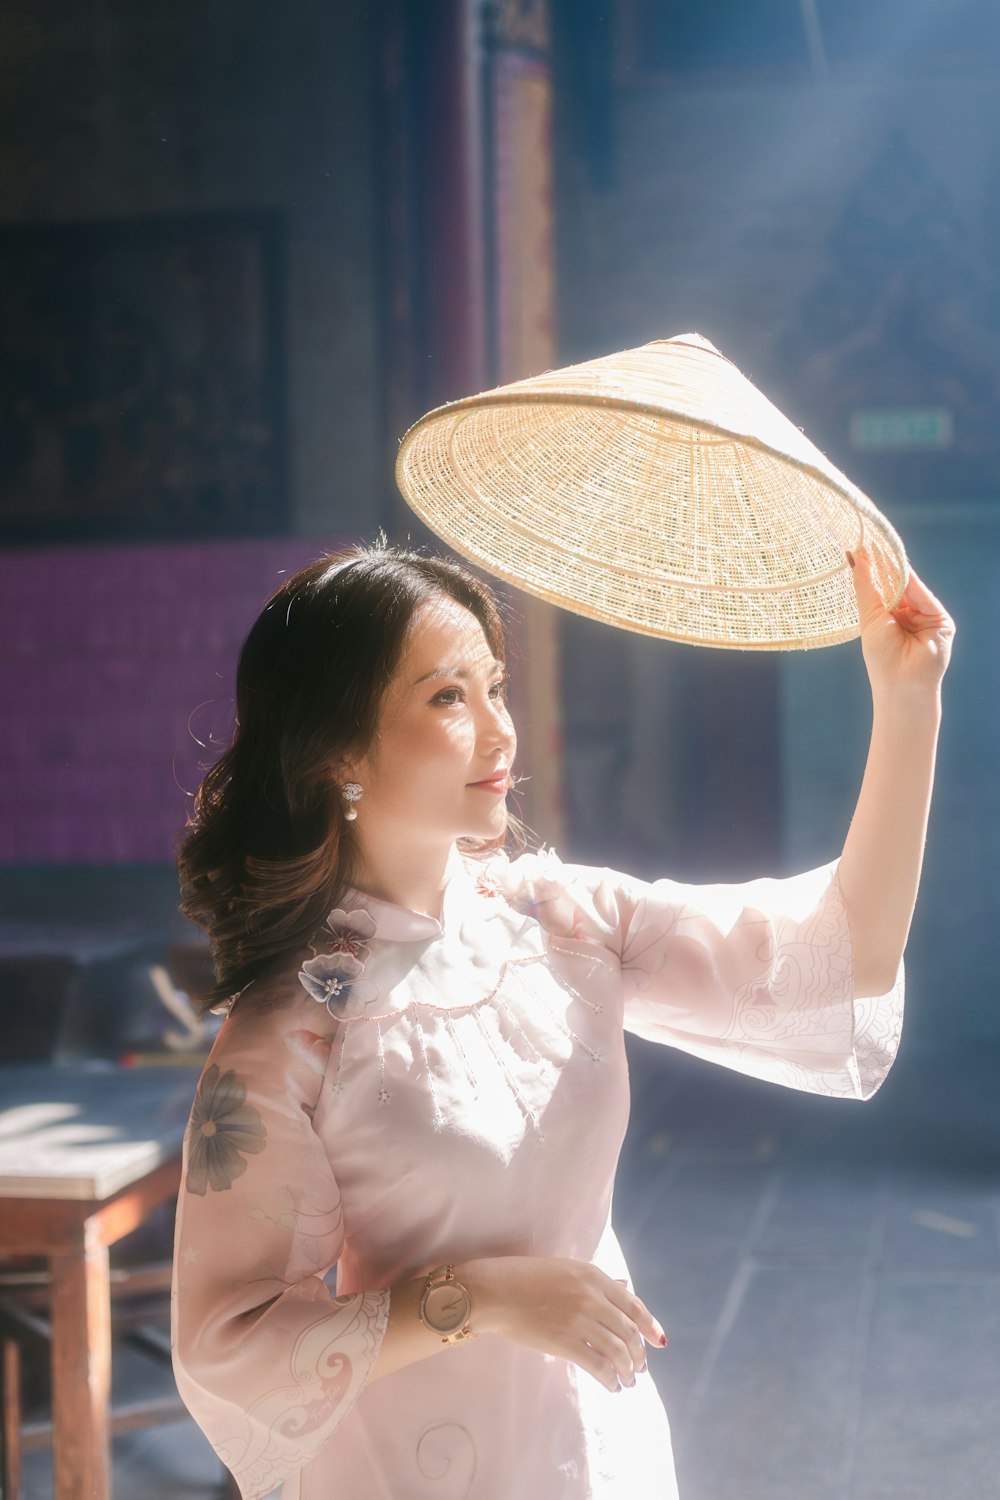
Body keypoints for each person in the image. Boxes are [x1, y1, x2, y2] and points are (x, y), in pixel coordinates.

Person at [171, 541, 953, 1500]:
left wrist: (909, 700)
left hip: (600, 1446)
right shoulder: (294, 1029)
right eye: (447, 697)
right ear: (337, 747)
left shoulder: (563, 919)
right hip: (407, 1468)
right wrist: (483, 1299)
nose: (500, 731)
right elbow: (229, 1346)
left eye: (494, 686)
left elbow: (845, 958)